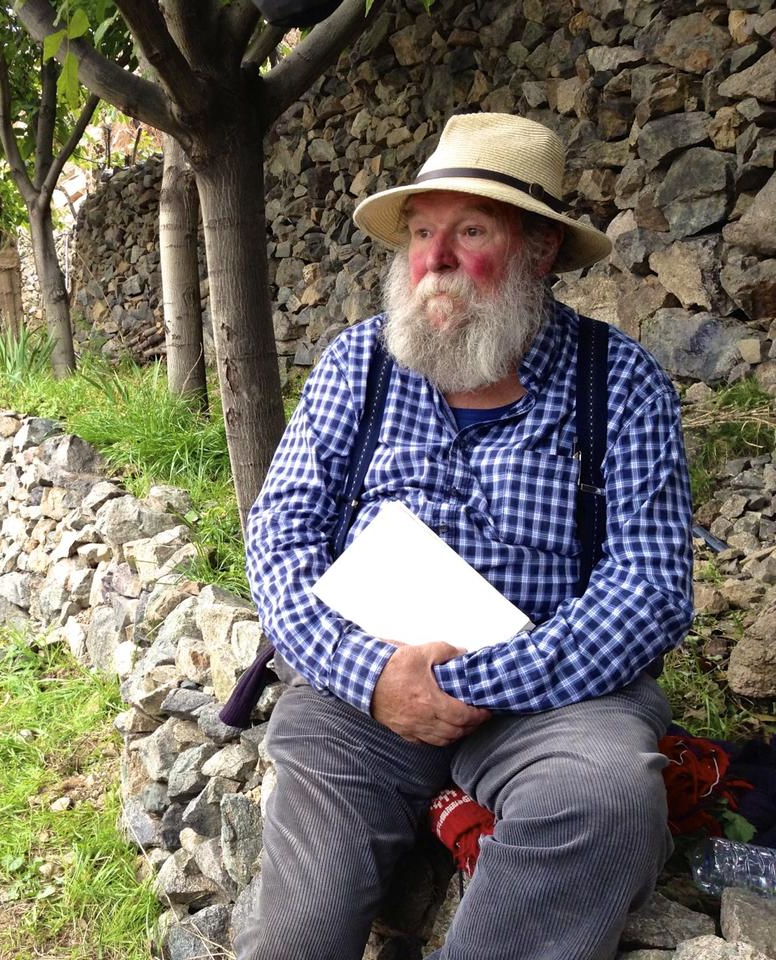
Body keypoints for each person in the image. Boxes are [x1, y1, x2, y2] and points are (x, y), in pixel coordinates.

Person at [237, 112, 694, 960]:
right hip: (362, 696)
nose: (433, 259)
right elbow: (281, 534)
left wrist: (482, 680)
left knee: (607, 798)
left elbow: (652, 586)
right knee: (298, 935)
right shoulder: (359, 364)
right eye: (421, 231)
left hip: (558, 701)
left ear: (540, 250)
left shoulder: (620, 383)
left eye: (470, 230)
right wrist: (372, 677)